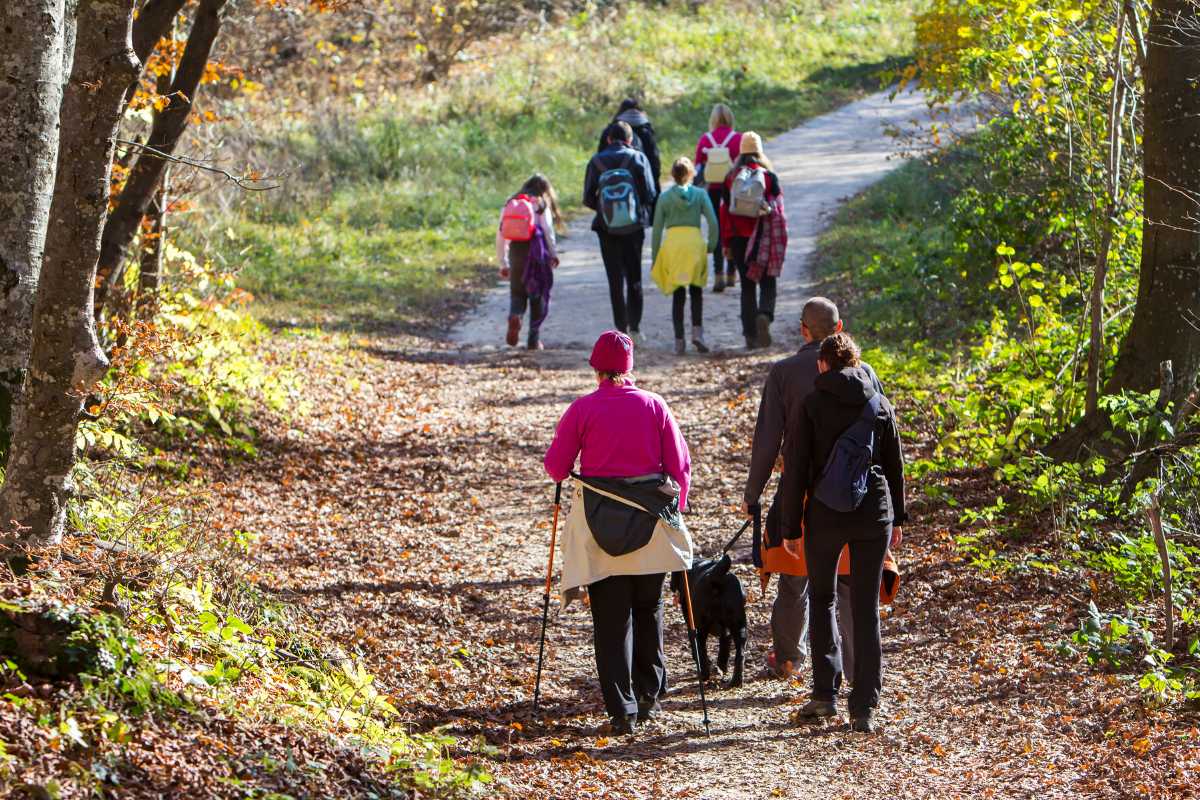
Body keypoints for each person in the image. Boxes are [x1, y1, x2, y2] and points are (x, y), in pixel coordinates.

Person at [544, 331, 693, 736]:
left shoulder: (582, 409)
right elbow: (680, 467)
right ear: (630, 367)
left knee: (611, 620)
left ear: (595, 368)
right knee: (649, 609)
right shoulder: (654, 405)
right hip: (650, 526)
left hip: (599, 528)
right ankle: (650, 694)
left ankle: (621, 709)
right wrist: (677, 512)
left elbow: (557, 468)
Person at [742, 298, 883, 680]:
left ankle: (789, 657)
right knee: (851, 585)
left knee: (796, 579)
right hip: (857, 493)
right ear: (840, 330)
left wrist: (753, 493)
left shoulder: (784, 372)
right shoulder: (866, 373)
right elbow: (882, 436)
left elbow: (768, 439)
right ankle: (855, 671)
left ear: (804, 330)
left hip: (803, 492)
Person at [782, 332, 906, 734]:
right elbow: (894, 464)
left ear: (822, 364)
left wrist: (789, 526)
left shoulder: (812, 405)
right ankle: (864, 706)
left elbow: (796, 467)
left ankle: (824, 694)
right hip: (874, 513)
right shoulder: (878, 402)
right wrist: (898, 520)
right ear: (856, 363)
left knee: (821, 598)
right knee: (865, 608)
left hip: (825, 513)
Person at [584, 122, 658, 342]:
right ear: (630, 140)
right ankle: (635, 328)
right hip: (634, 228)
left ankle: (621, 329)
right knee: (634, 277)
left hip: (606, 229)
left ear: (608, 139)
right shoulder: (638, 159)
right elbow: (650, 194)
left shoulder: (596, 161)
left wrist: (606, 209)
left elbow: (588, 198)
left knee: (615, 279)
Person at [719, 132, 782, 349]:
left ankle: (750, 336)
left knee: (746, 287)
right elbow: (778, 210)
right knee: (767, 280)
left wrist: (725, 243)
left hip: (738, 239)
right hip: (762, 238)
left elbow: (724, 212)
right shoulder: (769, 177)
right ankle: (764, 314)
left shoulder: (730, 177)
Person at [650, 157, 719, 355]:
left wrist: (656, 257)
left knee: (678, 293)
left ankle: (679, 340)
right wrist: (711, 245)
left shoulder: (664, 198)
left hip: (674, 246)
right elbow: (713, 222)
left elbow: (656, 230)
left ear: (672, 174)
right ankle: (698, 333)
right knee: (696, 291)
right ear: (691, 174)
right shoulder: (700, 194)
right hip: (694, 244)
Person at [497, 174, 563, 350]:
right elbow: (548, 232)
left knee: (517, 293)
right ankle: (533, 340)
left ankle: (515, 315)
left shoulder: (511, 202)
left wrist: (503, 262)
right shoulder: (540, 204)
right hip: (536, 255)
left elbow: (501, 235)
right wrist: (553, 254)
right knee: (537, 295)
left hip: (516, 252)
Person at [694, 103, 741, 292]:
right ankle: (732, 271)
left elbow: (697, 166)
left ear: (713, 119)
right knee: (733, 228)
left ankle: (718, 273)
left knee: (716, 229)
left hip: (712, 189)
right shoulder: (738, 139)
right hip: (733, 189)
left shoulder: (705, 139)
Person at [597, 97, 662, 195]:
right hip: (639, 187)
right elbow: (654, 160)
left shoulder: (610, 130)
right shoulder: (645, 131)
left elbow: (600, 156)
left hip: (610, 189)